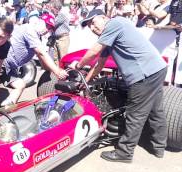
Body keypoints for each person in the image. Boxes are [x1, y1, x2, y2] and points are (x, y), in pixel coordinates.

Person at [69, 9, 168, 162]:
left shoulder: (115, 23)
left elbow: (94, 51)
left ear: (104, 17)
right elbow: (99, 65)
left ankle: (125, 153)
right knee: (155, 111)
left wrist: (79, 65)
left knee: (135, 115)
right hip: (156, 69)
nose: (92, 28)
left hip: (144, 75)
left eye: (93, 22)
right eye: (89, 25)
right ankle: (159, 147)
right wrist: (86, 81)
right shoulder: (110, 35)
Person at [1, 14, 68, 106]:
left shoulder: (36, 37)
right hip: (2, 63)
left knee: (20, 85)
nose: (47, 30)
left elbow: (41, 59)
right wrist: (57, 71)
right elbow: (41, 53)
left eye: (49, 28)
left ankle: (5, 108)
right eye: (47, 26)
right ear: (39, 21)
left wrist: (50, 71)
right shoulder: (29, 30)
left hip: (10, 68)